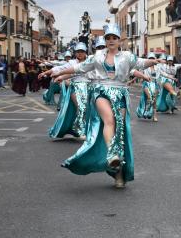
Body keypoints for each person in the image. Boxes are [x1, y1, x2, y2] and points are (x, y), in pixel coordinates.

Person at [45, 23, 158, 189]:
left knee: (120, 131)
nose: (111, 40)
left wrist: (156, 61)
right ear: (105, 41)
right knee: (109, 121)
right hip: (100, 91)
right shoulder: (97, 57)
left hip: (120, 94)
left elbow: (140, 64)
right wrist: (57, 73)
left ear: (119, 40)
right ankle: (112, 154)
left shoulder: (127, 56)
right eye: (108, 38)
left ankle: (118, 174)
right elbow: (77, 68)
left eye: (114, 38)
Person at [136, 52, 160, 121]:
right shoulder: (145, 67)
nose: (151, 60)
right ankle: (145, 111)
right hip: (146, 83)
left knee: (154, 100)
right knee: (149, 97)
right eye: (150, 58)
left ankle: (154, 116)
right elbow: (139, 74)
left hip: (154, 84)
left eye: (152, 58)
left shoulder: (157, 67)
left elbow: (159, 76)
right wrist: (131, 81)